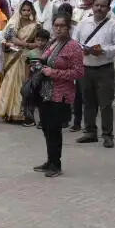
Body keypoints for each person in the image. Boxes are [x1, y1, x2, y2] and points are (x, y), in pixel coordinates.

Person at [31, 13, 85, 177]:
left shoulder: (74, 47)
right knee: (46, 127)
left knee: (54, 129)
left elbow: (78, 72)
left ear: (69, 28)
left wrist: (53, 72)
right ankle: (50, 160)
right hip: (45, 92)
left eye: (62, 26)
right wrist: (38, 64)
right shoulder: (53, 42)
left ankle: (56, 164)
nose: (59, 29)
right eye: (56, 25)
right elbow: (44, 59)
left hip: (60, 93)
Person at [75, 0, 115, 147]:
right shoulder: (83, 23)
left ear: (108, 9)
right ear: (92, 6)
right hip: (86, 68)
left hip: (105, 69)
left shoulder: (114, 25)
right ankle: (90, 132)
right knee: (88, 102)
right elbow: (75, 42)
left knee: (105, 104)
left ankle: (107, 135)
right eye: (96, 5)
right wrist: (82, 50)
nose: (99, 8)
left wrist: (103, 51)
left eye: (103, 6)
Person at [0, 0, 39, 124]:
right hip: (14, 56)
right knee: (9, 83)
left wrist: (30, 45)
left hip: (26, 58)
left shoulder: (36, 25)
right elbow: (10, 37)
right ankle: (8, 112)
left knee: (22, 84)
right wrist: (25, 44)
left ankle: (20, 113)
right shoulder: (14, 23)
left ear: (32, 11)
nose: (26, 12)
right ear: (20, 11)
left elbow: (39, 41)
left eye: (28, 10)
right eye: (24, 10)